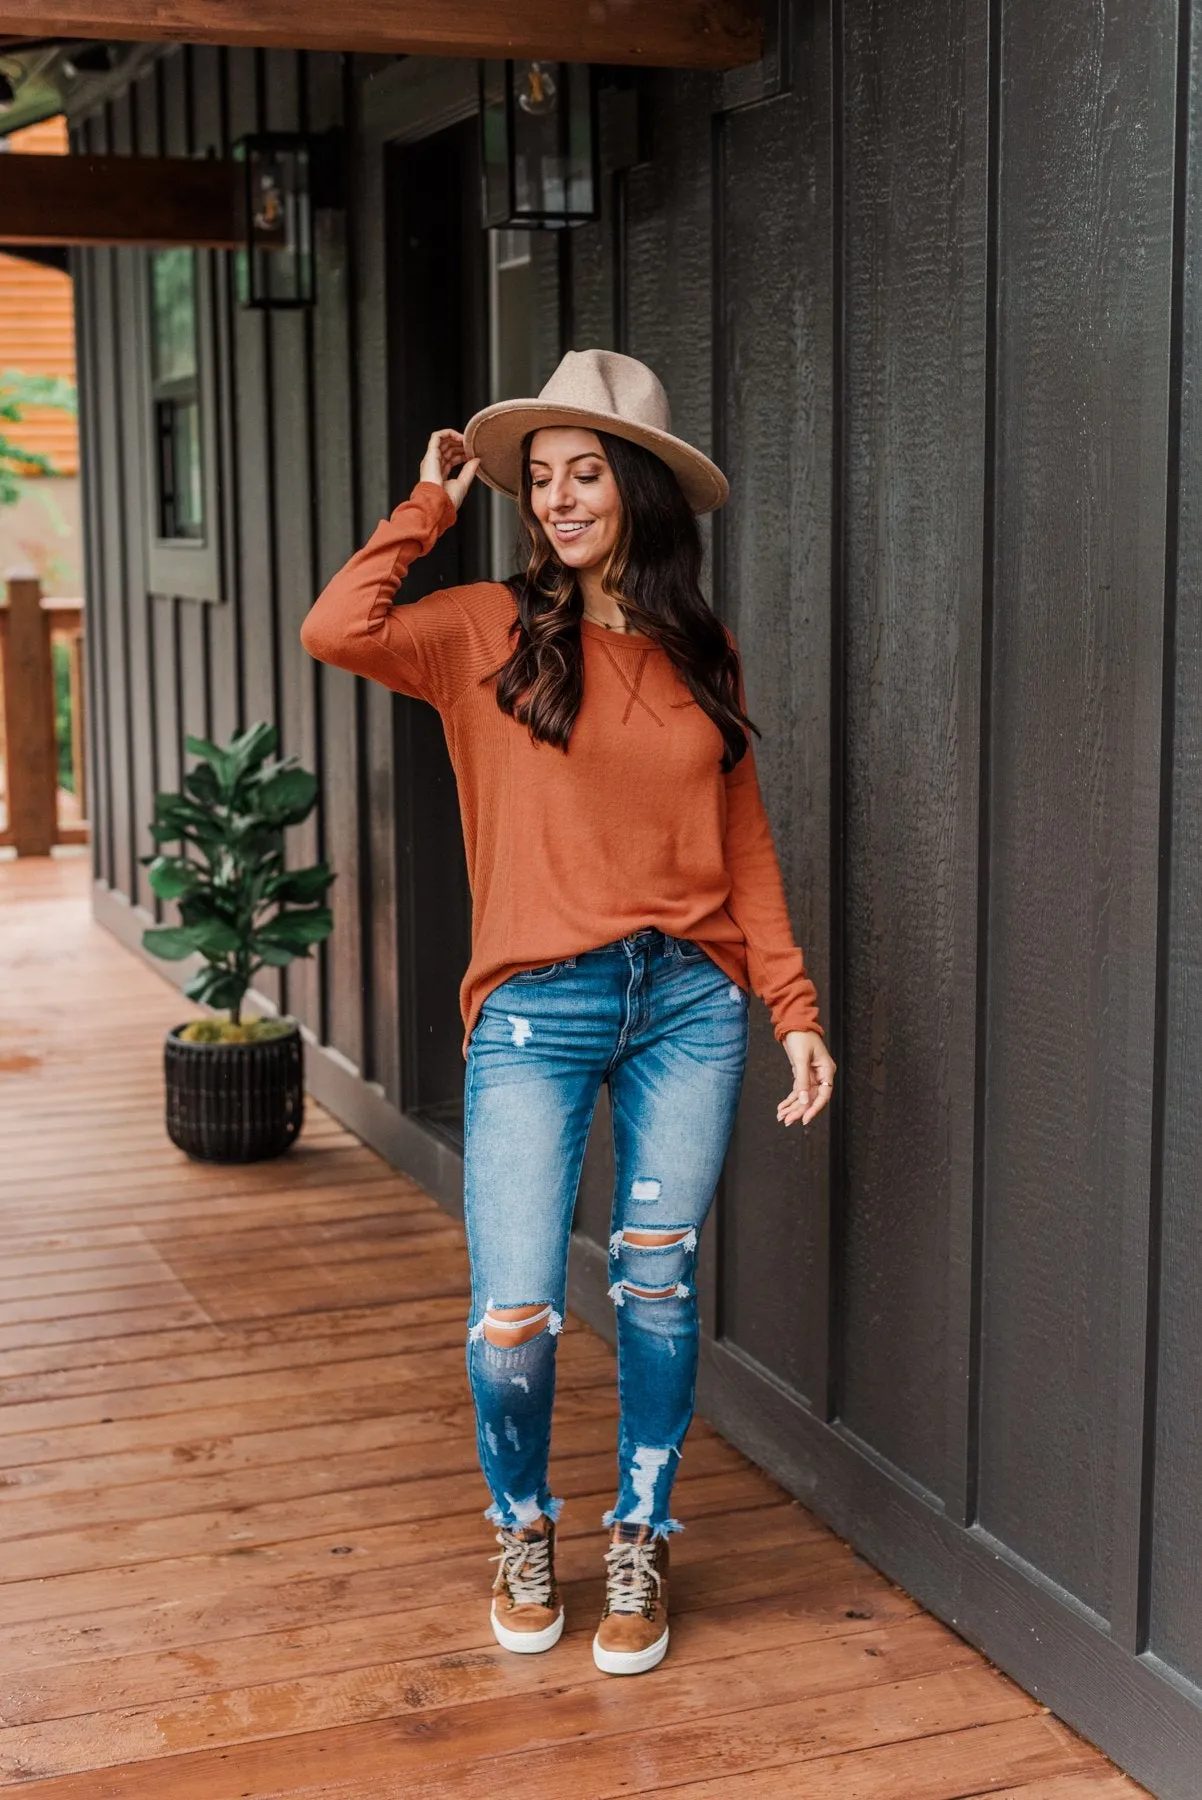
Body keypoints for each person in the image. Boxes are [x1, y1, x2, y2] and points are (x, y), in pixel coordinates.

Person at [300, 347, 836, 1677]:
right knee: (517, 1310)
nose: (557, 498)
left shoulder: (699, 647)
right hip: (536, 1010)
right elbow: (338, 628)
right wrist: (428, 502)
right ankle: (521, 1528)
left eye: (584, 473)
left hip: (689, 1007)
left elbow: (743, 836)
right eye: (537, 479)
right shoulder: (480, 628)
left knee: (655, 1283)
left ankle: (640, 1535)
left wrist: (791, 1003)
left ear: (639, 489)